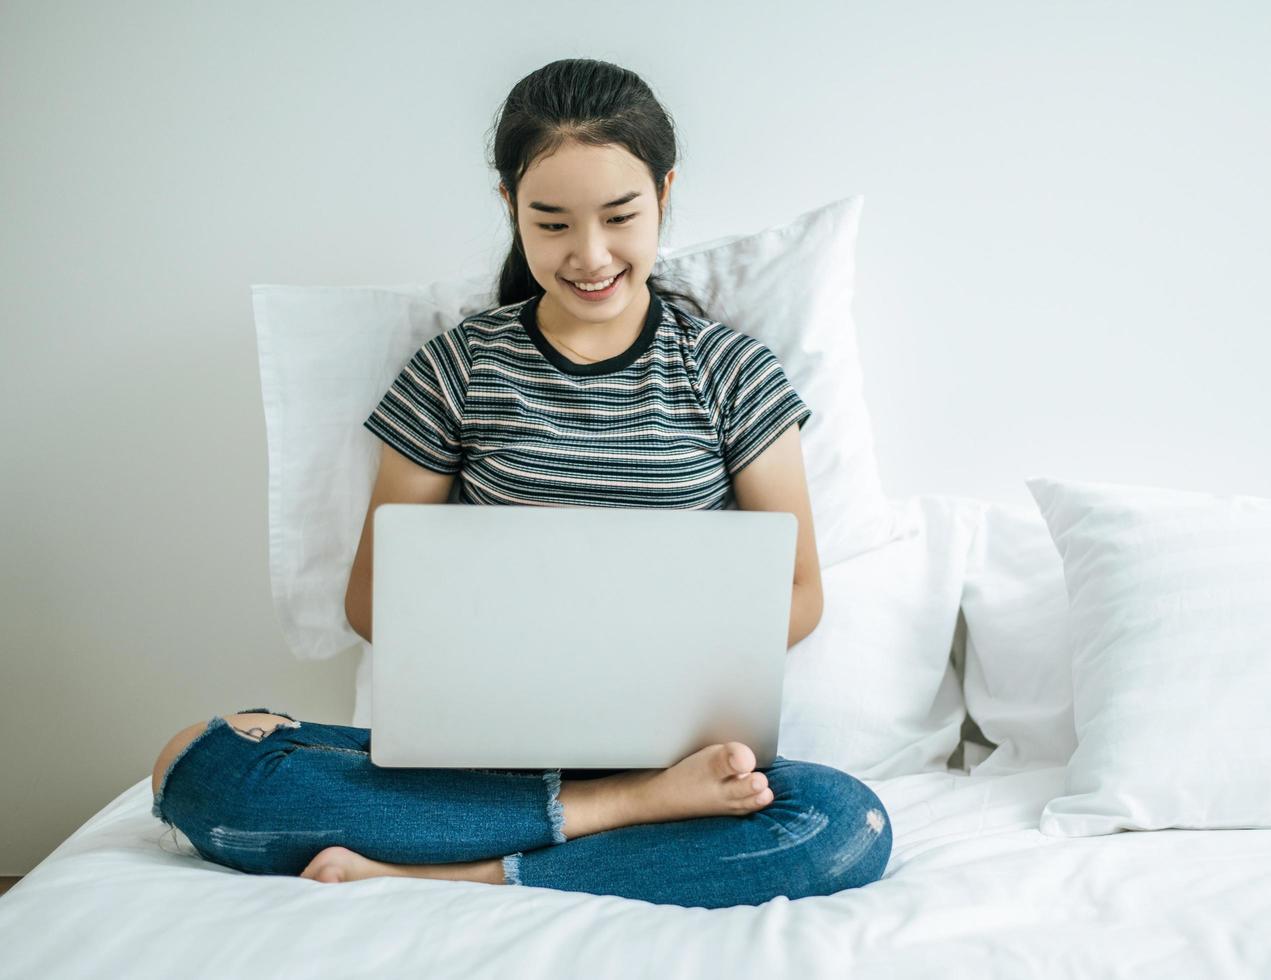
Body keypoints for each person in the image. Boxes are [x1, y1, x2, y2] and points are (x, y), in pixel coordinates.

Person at [150, 58, 892, 909]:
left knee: (841, 823)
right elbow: (370, 603)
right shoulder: (457, 371)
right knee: (201, 763)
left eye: (621, 217)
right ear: (510, 209)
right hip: (482, 760)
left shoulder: (728, 372)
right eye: (551, 224)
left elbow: (799, 590)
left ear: (665, 194)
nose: (590, 256)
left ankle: (452, 866)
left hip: (680, 758)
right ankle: (615, 814)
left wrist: (655, 649)